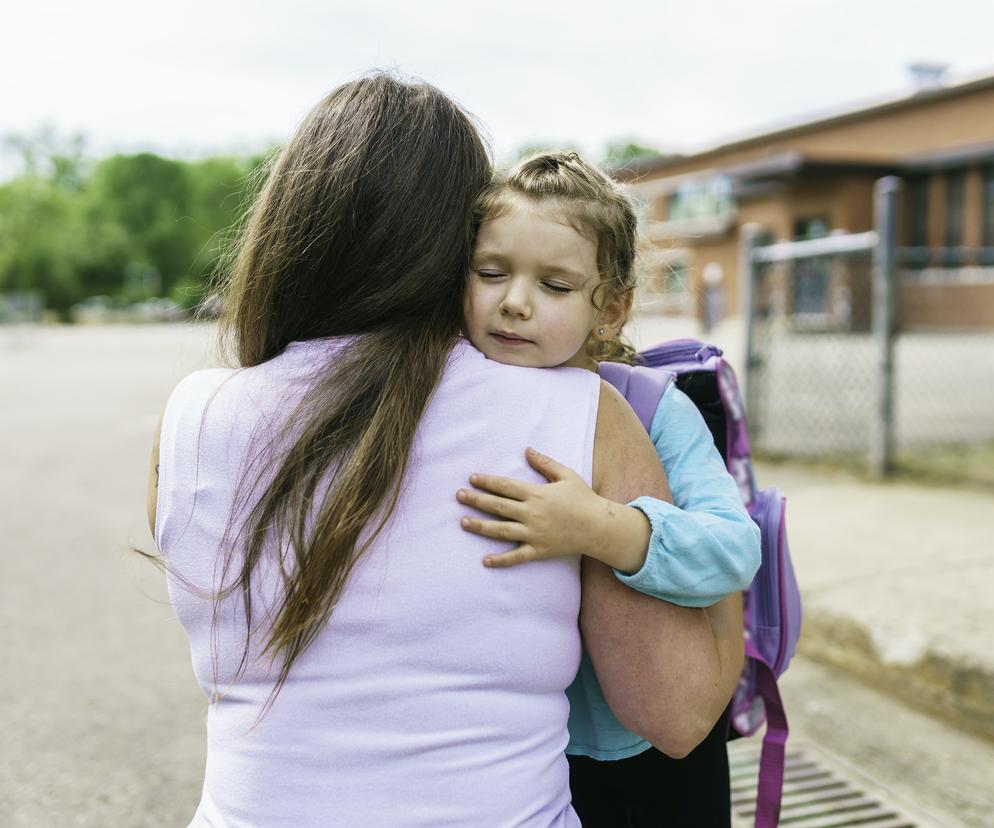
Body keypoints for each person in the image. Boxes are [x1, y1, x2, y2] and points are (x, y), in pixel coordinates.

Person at [145, 75, 741, 827]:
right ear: (455, 242)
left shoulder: (190, 419)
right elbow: (676, 712)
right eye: (491, 267)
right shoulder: (583, 414)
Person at [455, 151, 760, 827]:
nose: (514, 300)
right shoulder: (458, 403)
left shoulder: (652, 408)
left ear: (611, 308)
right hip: (534, 746)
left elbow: (734, 548)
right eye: (491, 272)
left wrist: (600, 527)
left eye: (555, 286)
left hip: (656, 753)